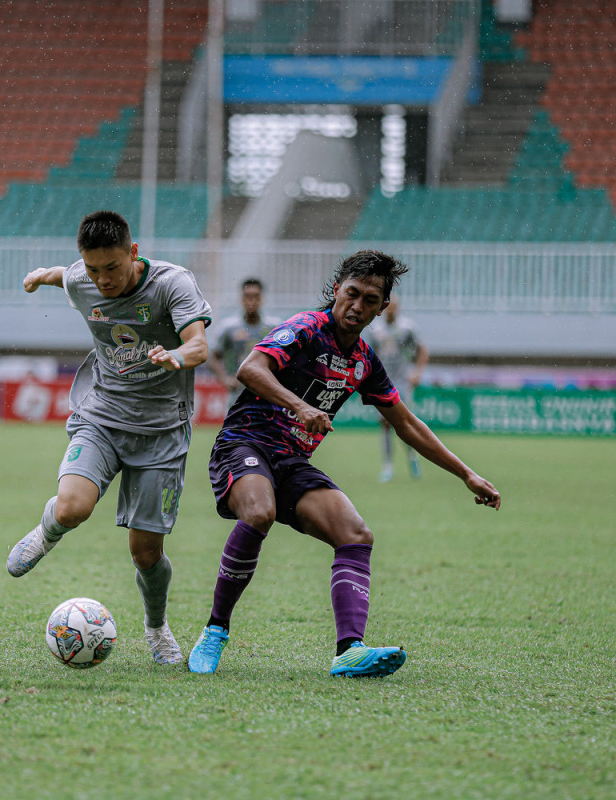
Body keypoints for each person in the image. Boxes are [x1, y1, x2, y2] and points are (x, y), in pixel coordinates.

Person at [187, 250, 500, 678]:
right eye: (351, 293)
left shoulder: (364, 361)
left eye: (370, 300)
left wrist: (467, 474)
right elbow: (250, 368)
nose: (357, 306)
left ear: (382, 307)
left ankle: (349, 651)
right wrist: (300, 407)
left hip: (291, 460)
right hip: (245, 443)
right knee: (260, 512)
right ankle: (214, 632)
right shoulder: (306, 328)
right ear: (337, 290)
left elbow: (406, 423)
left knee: (356, 535)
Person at [8, 210, 212, 666]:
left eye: (112, 268)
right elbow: (66, 274)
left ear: (133, 254)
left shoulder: (172, 284)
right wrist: (41, 276)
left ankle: (156, 627)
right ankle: (46, 533)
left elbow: (199, 345)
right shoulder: (83, 278)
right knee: (72, 507)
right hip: (101, 415)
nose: (102, 280)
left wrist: (177, 356)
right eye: (94, 269)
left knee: (145, 553)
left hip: (161, 430)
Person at [364, 297, 428, 482]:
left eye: (394, 307)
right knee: (384, 423)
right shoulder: (375, 329)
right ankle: (388, 467)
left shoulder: (407, 328)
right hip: (381, 382)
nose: (391, 310)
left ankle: (412, 457)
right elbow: (369, 355)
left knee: (404, 423)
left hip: (401, 381)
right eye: (388, 307)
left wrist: (417, 372)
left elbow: (422, 350)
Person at [209, 278, 277, 406]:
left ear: (262, 299)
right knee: (236, 426)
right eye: (247, 296)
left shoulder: (273, 327)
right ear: (241, 299)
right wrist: (225, 379)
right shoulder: (229, 327)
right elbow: (213, 357)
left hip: (268, 394)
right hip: (238, 395)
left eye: (256, 296)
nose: (251, 301)